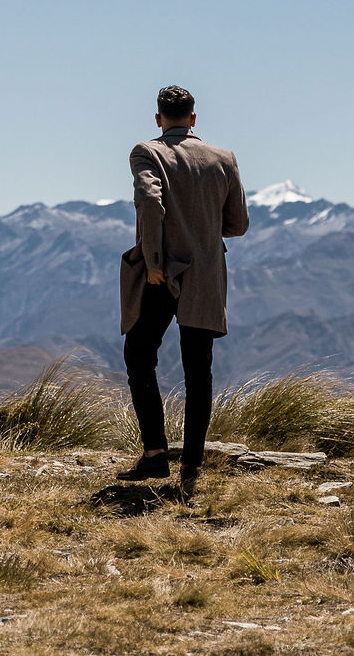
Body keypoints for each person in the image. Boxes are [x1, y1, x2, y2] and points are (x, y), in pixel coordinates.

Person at [117, 85, 249, 488]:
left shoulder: (147, 152)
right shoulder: (223, 158)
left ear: (159, 118)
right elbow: (238, 224)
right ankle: (192, 466)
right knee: (199, 370)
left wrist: (154, 262)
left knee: (140, 357)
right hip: (206, 275)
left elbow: (149, 201)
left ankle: (155, 454)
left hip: (163, 274)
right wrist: (205, 231)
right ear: (194, 118)